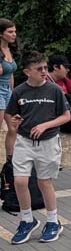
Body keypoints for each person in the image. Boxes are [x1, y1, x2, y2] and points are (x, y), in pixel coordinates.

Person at [7, 51, 71, 245]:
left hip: (48, 142)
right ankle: (27, 220)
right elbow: (12, 116)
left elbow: (66, 116)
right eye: (39, 69)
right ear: (27, 72)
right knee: (19, 181)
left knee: (44, 182)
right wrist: (15, 122)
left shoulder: (54, 90)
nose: (44, 72)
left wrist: (45, 125)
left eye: (45, 67)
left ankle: (53, 221)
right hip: (24, 142)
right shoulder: (19, 91)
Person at [45, 54, 71, 135]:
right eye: (66, 67)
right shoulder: (45, 81)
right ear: (56, 67)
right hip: (56, 117)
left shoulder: (63, 80)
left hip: (66, 114)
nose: (68, 70)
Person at [1, 19, 18, 161]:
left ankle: (10, 163)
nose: (14, 35)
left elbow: (11, 74)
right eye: (10, 32)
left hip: (8, 91)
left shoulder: (9, 49)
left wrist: (13, 94)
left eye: (15, 31)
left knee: (14, 127)